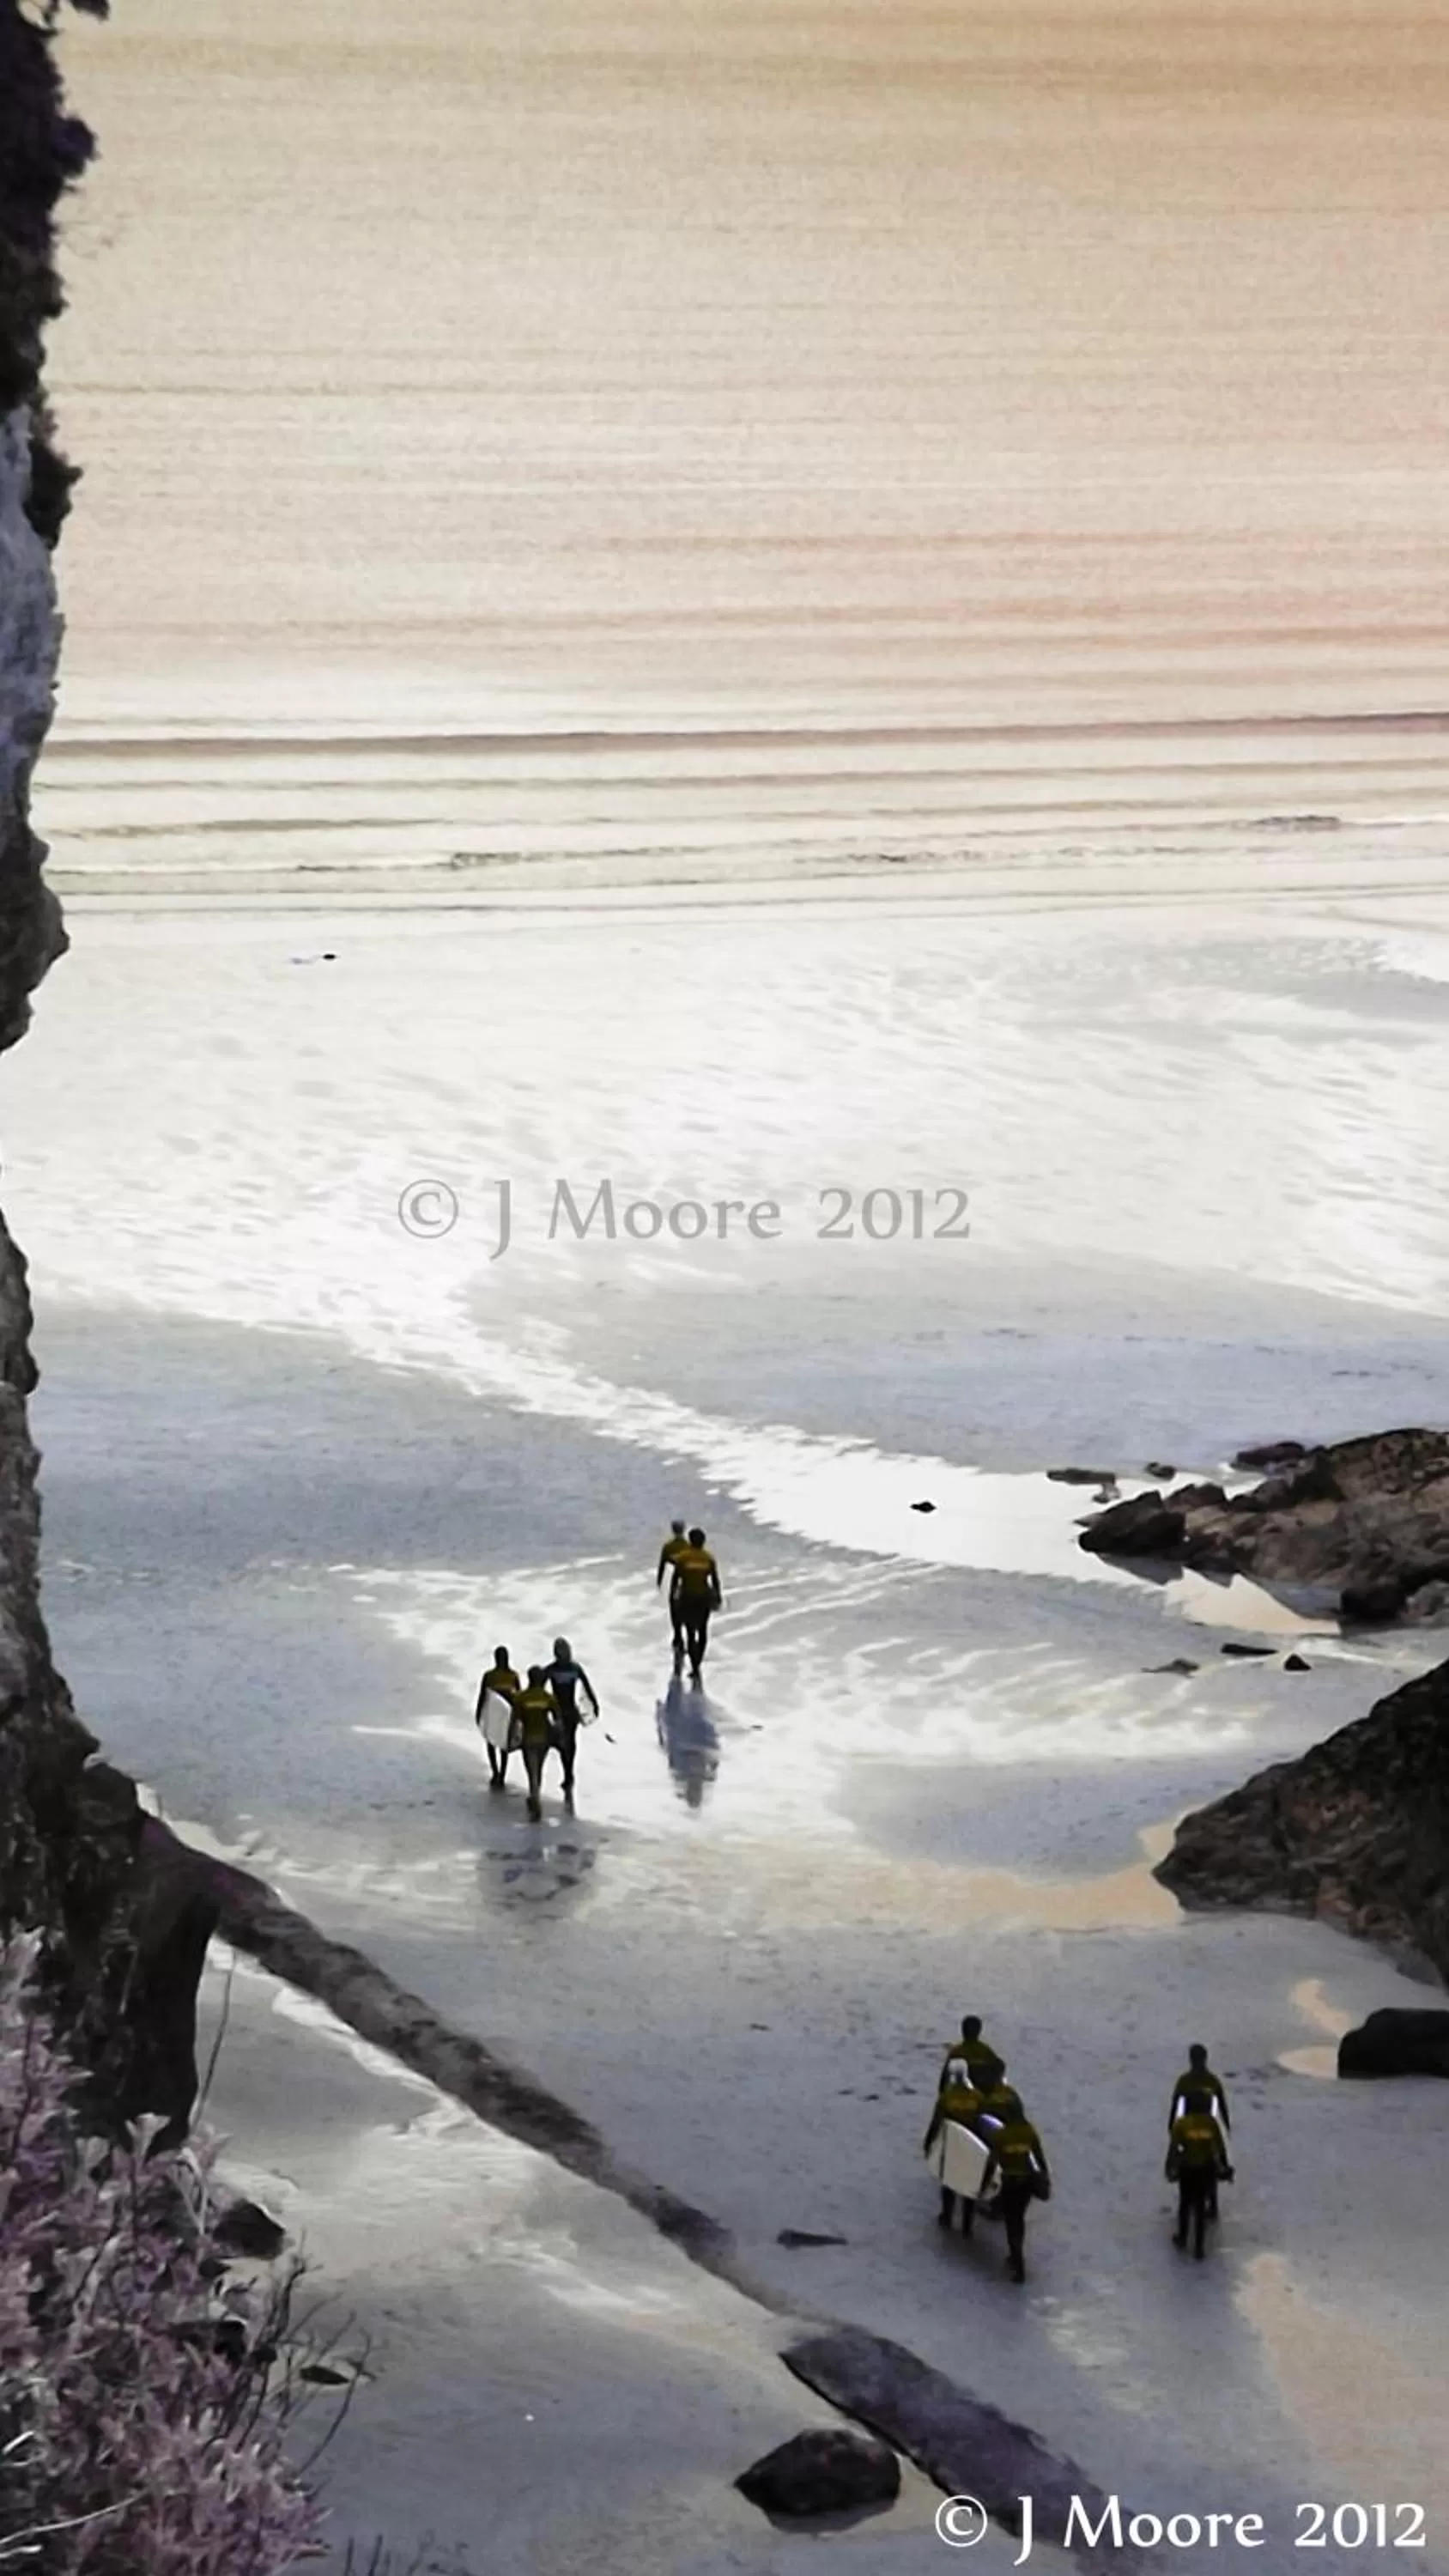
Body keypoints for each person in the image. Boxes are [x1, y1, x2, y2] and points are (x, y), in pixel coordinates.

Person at [980, 2111, 1051, 2284]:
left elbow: (992, 2163)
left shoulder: (1002, 2136)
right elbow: (1039, 2156)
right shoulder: (1028, 2131)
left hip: (1011, 2183)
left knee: (1013, 2224)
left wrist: (982, 2186)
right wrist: (1045, 2177)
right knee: (1018, 2218)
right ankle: (1015, 2257)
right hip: (1026, 2184)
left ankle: (1018, 2265)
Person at [1168, 2044, 1232, 2220]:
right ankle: (1220, 2180)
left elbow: (1174, 2105)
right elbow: (1222, 2104)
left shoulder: (1184, 2080)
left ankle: (1174, 2173)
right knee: (1217, 2155)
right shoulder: (1212, 2080)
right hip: (1209, 2124)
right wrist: (1226, 2125)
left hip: (1188, 2124)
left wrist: (1171, 2125)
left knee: (1179, 2154)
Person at [923, 2063, 987, 2235]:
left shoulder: (947, 2098)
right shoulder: (977, 2097)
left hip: (952, 2145)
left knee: (949, 2182)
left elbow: (937, 2122)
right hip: (971, 2147)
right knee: (969, 2185)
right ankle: (967, 2226)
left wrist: (928, 2143)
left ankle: (947, 2216)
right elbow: (983, 2124)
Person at [1166, 2108, 1233, 2259]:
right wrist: (1224, 2167)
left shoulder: (1181, 2124)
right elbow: (1219, 2146)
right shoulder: (1211, 2123)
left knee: (1185, 2203)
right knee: (1200, 2206)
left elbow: (1174, 2148)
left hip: (1187, 2169)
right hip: (1206, 2169)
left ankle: (1182, 2238)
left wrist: (1170, 2167)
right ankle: (1199, 2248)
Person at [545, 1636, 600, 1802]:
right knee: (568, 1743)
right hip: (566, 1711)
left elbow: (539, 1685)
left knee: (567, 1743)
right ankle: (568, 1773)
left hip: (563, 1711)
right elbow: (587, 1686)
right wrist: (594, 1704)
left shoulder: (554, 1669)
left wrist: (595, 1705)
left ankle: (568, 1773)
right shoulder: (573, 1668)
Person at [670, 1527, 722, 1679]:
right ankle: (697, 1663)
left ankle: (694, 1665)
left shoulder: (683, 1558)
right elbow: (715, 1580)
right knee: (703, 1630)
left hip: (687, 1598)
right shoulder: (708, 1558)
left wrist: (673, 1596)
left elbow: (676, 1579)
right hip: (703, 1599)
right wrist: (718, 1596)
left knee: (690, 1633)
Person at [512, 1665, 561, 1820]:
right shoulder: (548, 1697)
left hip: (528, 1738)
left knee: (531, 1769)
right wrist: (558, 1737)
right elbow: (557, 1720)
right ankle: (535, 1795)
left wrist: (511, 1738)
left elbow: (515, 1720)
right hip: (544, 1738)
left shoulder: (521, 1697)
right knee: (538, 1768)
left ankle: (535, 1798)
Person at [474, 1647, 520, 1789]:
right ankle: (496, 1772)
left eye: (503, 1657)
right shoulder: (490, 1676)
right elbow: (483, 1695)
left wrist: (518, 1716)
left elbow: (518, 1697)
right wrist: (479, 1712)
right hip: (493, 1713)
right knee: (493, 1743)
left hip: (505, 1714)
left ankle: (501, 1774)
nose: (502, 1660)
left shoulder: (513, 1676)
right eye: (500, 1657)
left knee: (503, 1744)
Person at [656, 1520, 692, 1663]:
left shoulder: (668, 1547)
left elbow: (662, 1565)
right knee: (687, 1609)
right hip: (687, 1580)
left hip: (675, 1582)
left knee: (674, 1609)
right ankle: (686, 1636)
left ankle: (678, 1636)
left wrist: (659, 1581)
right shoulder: (688, 1546)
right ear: (683, 1530)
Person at [943, 2015, 999, 2085]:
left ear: (963, 2031)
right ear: (979, 2031)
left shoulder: (957, 2051)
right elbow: (999, 2068)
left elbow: (945, 2077)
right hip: (984, 2089)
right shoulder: (986, 2050)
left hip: (963, 2090)